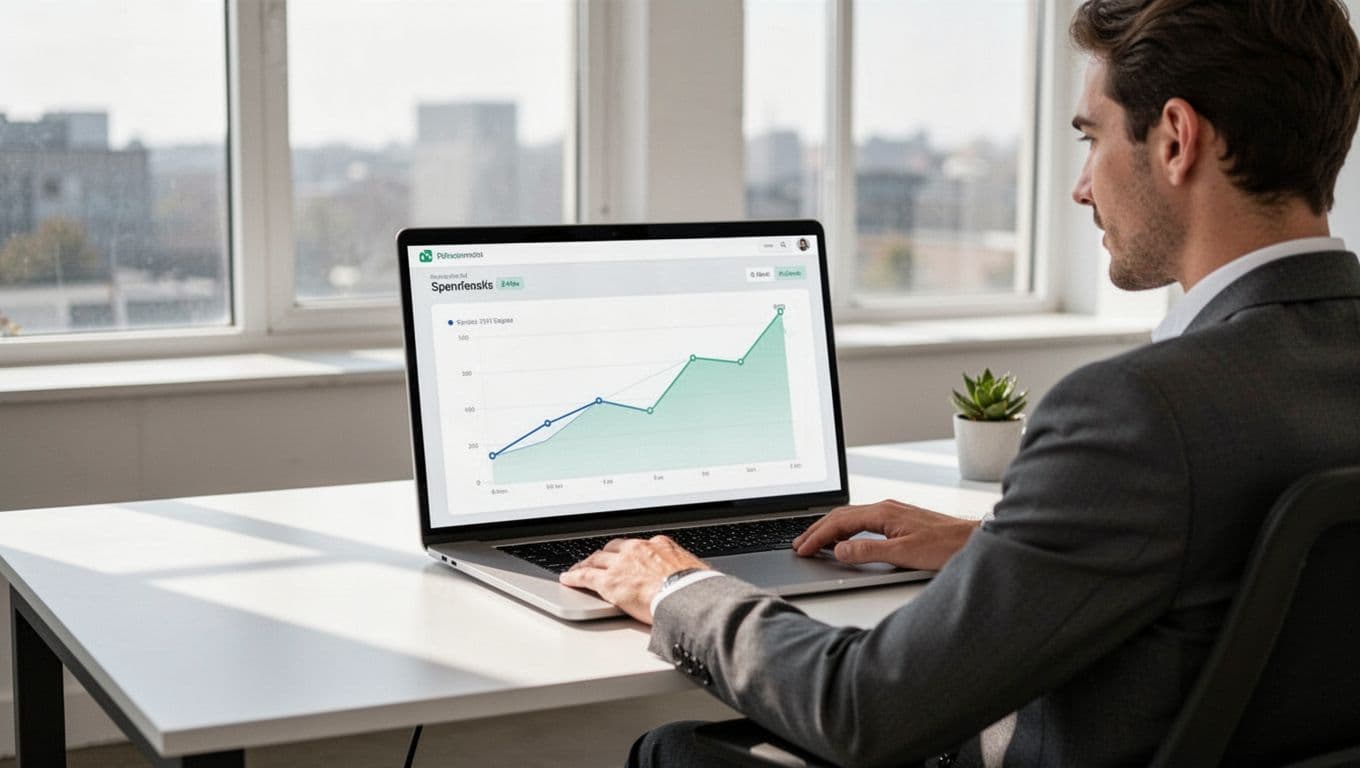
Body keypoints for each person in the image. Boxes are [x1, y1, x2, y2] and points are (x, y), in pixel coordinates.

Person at [561, 0, 1360, 764]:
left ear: (1177, 140)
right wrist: (998, 550)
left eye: (1091, 138)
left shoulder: (1135, 412)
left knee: (677, 749)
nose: (1082, 186)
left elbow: (864, 709)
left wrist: (676, 589)